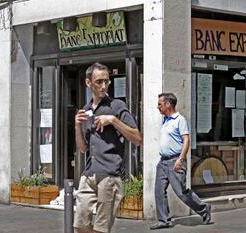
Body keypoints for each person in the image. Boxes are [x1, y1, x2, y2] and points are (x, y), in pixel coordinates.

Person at [73, 62, 142, 233]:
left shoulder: (116, 106)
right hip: (89, 174)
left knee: (101, 230)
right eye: (99, 82)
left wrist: (113, 120)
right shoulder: (86, 110)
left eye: (107, 81)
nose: (104, 86)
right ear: (89, 83)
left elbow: (137, 138)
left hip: (109, 175)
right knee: (80, 226)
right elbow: (82, 149)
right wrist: (77, 126)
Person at [150, 93, 211, 230]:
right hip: (163, 162)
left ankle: (203, 208)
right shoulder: (165, 120)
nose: (158, 107)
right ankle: (163, 220)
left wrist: (180, 159)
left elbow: (186, 140)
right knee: (159, 191)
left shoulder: (180, 120)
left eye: (160, 104)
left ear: (168, 104)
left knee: (181, 192)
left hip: (175, 161)